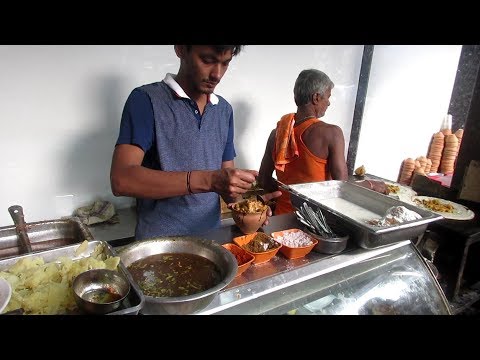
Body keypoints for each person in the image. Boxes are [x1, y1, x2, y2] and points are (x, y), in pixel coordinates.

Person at [110, 45, 281, 240]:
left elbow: (228, 187)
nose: (217, 74)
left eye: (225, 63)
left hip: (211, 242)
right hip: (159, 246)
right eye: (207, 60)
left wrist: (249, 207)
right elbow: (121, 179)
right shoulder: (146, 100)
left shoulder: (223, 111)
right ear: (181, 49)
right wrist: (208, 180)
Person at [258, 69, 349, 215]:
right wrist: (370, 185)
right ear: (316, 98)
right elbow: (342, 188)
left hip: (281, 218)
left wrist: (288, 194)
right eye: (328, 97)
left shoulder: (277, 134)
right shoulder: (332, 133)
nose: (329, 103)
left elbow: (263, 179)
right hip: (316, 223)